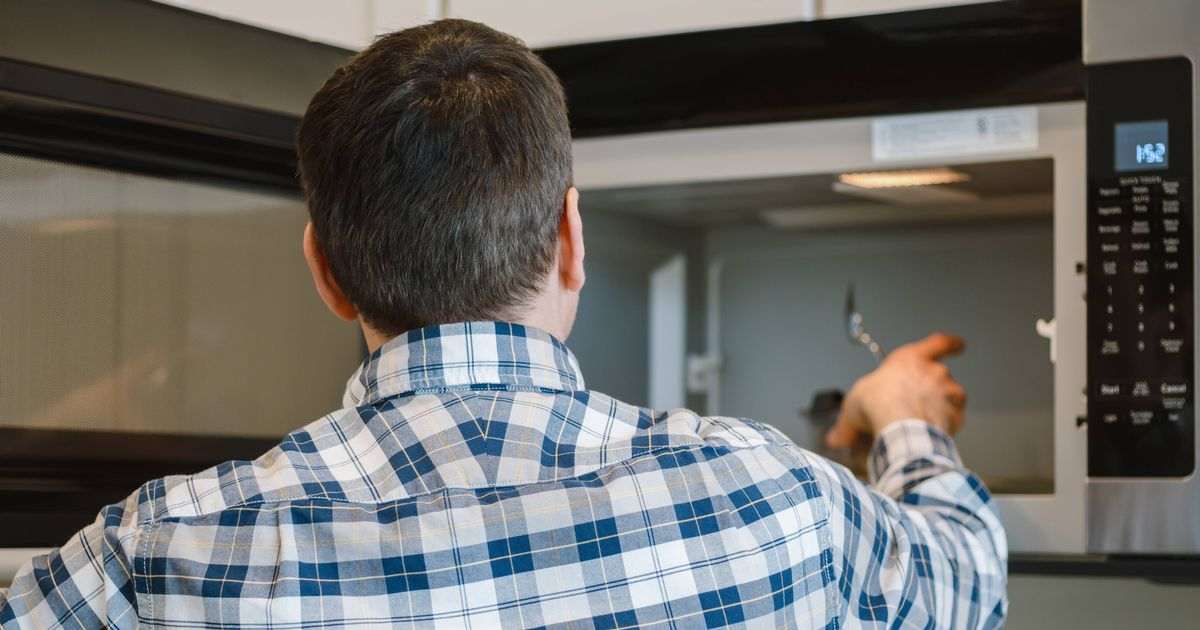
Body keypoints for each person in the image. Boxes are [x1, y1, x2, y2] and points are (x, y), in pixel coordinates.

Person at [0, 19, 1005, 629]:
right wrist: (907, 416)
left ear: (326, 272)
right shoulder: (769, 496)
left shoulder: (160, 552)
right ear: (572, 238)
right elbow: (968, 577)